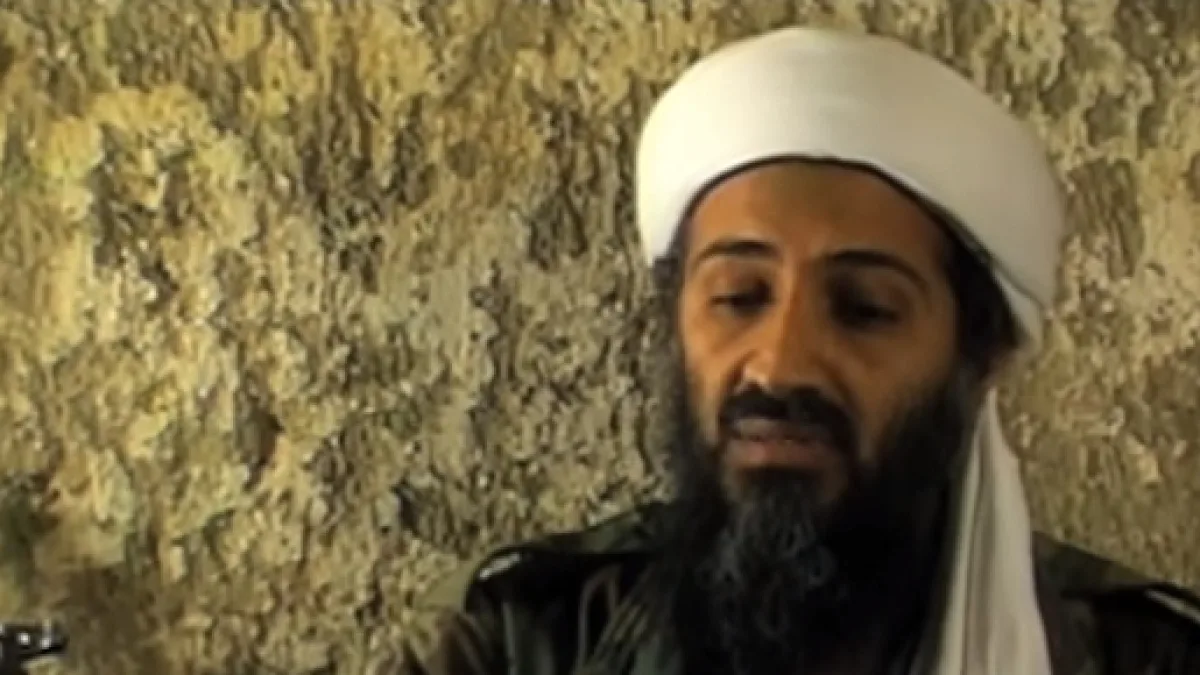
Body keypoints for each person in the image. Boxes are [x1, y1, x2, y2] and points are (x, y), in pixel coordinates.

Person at [400, 27, 1200, 675]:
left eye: (864, 309)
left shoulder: (1145, 657)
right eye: (739, 296)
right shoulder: (517, 641)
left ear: (979, 353)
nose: (780, 364)